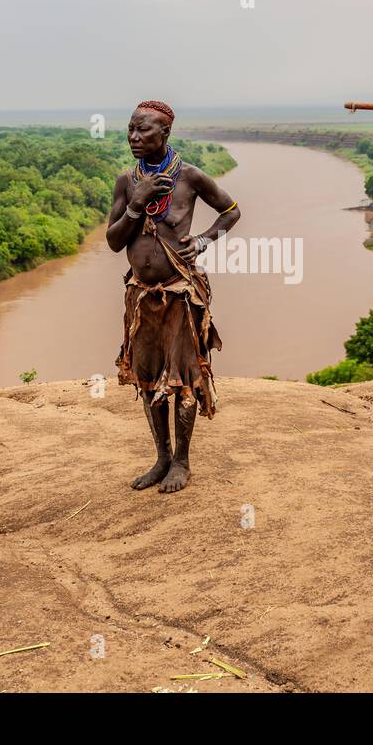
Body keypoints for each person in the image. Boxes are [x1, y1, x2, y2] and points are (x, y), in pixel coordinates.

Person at [107, 100, 242, 493]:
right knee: (149, 380)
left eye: (143, 130)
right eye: (130, 129)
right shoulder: (126, 181)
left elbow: (231, 211)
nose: (133, 137)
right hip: (141, 296)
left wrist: (202, 240)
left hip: (180, 296)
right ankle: (162, 458)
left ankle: (182, 462)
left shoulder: (191, 176)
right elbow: (115, 242)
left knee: (182, 379)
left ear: (164, 134)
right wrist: (136, 202)